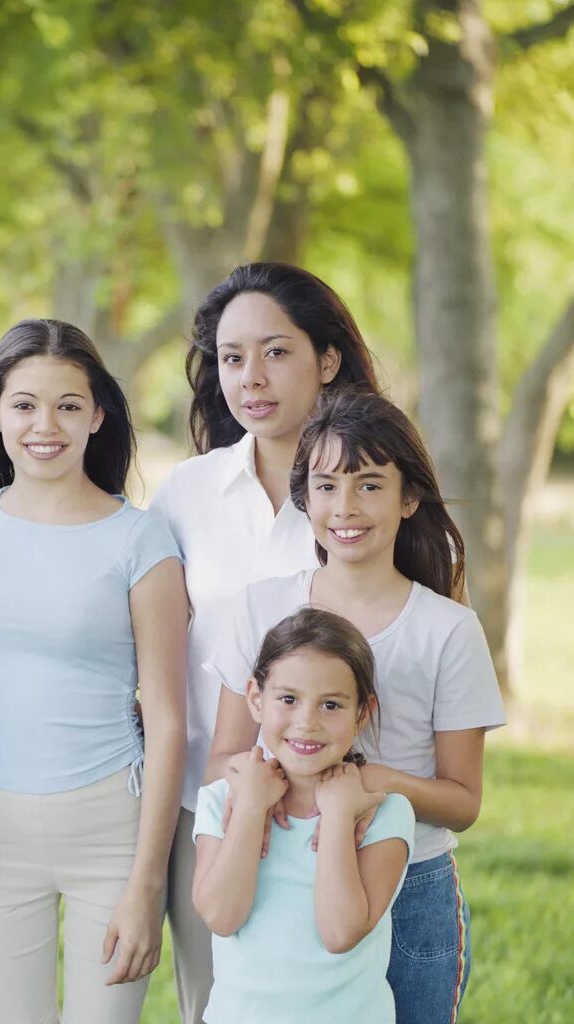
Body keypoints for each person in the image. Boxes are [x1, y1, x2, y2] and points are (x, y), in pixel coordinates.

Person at [205, 388, 506, 1023]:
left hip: (411, 886)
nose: (345, 507)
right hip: (277, 877)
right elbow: (226, 758)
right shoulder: (259, 607)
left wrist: (369, 786)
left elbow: (464, 801)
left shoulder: (447, 630)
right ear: (304, 498)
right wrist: (264, 799)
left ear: (409, 497)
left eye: (369, 485)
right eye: (326, 485)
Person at [149, 262, 386, 1023]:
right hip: (214, 800)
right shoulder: (187, 494)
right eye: (231, 356)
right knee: (218, 1004)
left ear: (328, 359)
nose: (251, 377)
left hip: (341, 810)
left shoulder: (370, 493)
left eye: (277, 351)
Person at [0, 319, 187, 1022]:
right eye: (23, 404)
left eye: (68, 405)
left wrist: (146, 883)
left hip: (109, 822)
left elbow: (168, 719)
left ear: (97, 414)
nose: (44, 425)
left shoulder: (139, 539)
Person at [193, 607, 416, 1024]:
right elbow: (221, 917)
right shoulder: (219, 800)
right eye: (288, 699)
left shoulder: (385, 814)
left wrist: (336, 816)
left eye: (331, 704)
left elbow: (340, 933)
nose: (306, 722)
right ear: (256, 699)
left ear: (362, 712)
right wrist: (251, 808)